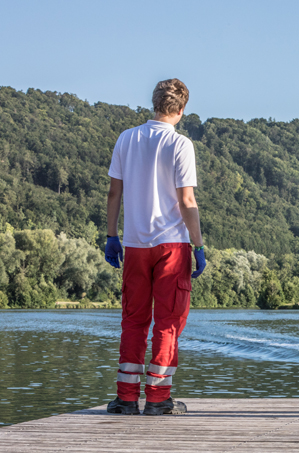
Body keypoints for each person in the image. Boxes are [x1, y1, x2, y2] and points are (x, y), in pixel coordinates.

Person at [104, 78, 206, 416]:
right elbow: (187, 199)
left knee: (133, 320)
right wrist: (199, 243)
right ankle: (159, 399)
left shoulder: (126, 138)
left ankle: (126, 398)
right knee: (167, 321)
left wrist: (111, 236)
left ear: (154, 104)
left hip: (134, 243)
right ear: (181, 110)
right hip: (172, 246)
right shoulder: (180, 144)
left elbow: (113, 193)